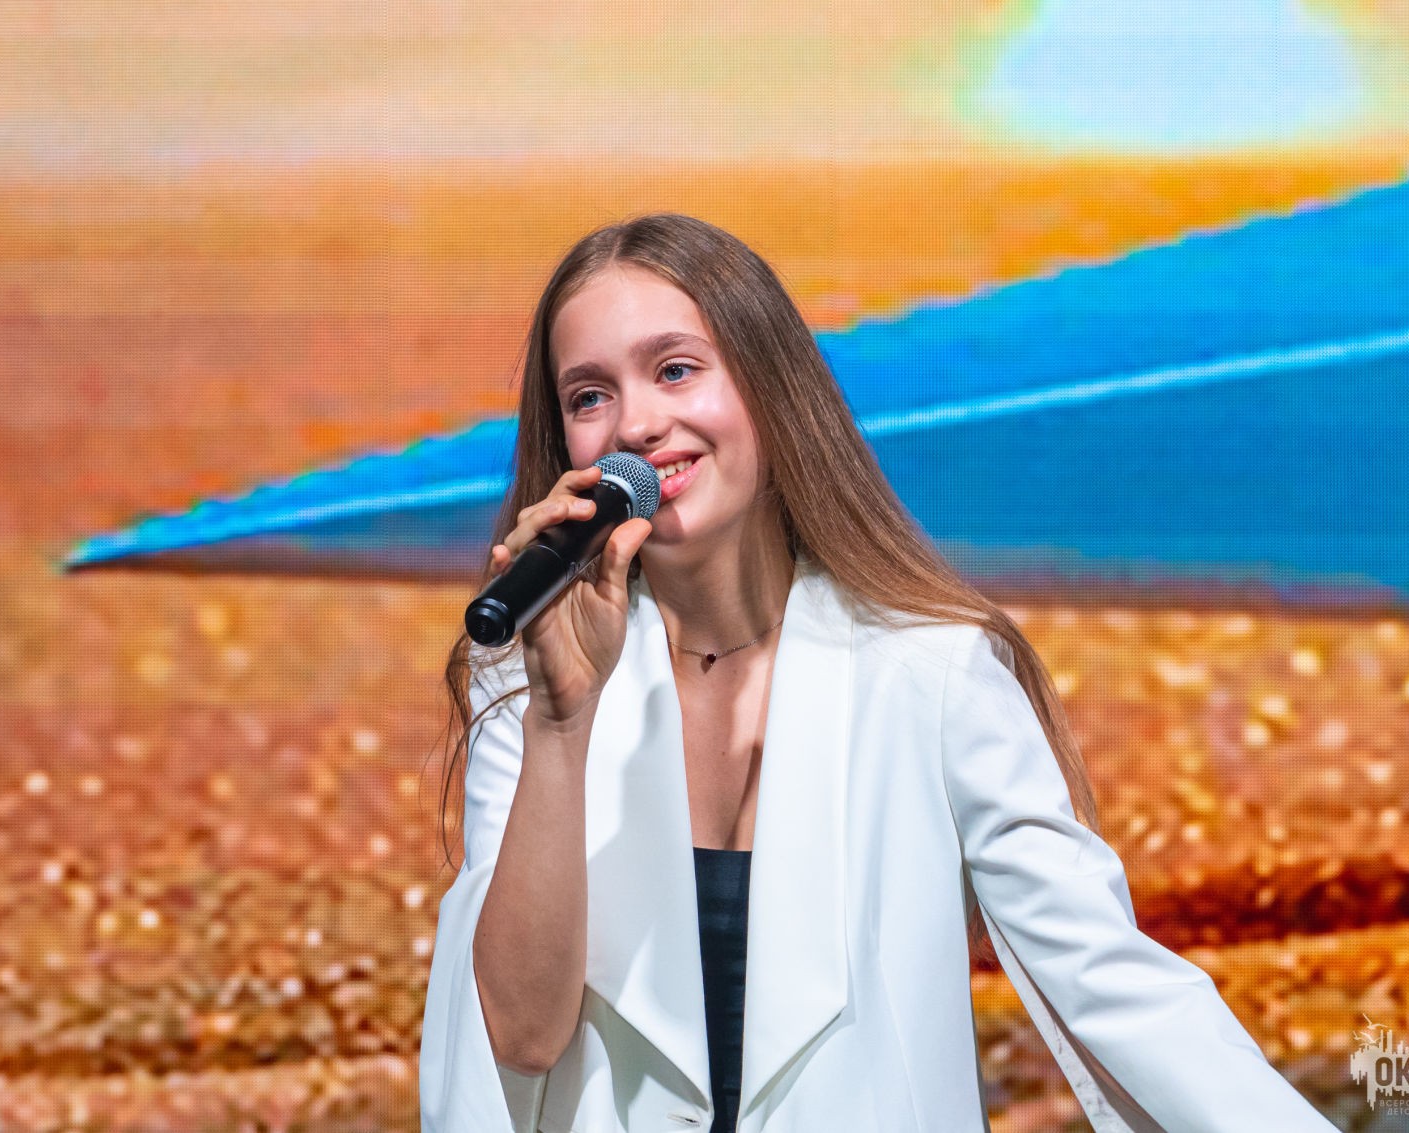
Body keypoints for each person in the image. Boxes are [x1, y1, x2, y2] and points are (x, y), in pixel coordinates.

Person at [419, 213, 1339, 1132]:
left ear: (769, 384)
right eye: (589, 396)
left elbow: (1109, 982)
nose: (638, 424)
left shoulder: (931, 668)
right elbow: (522, 1037)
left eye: (675, 370)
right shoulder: (534, 677)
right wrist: (560, 725)